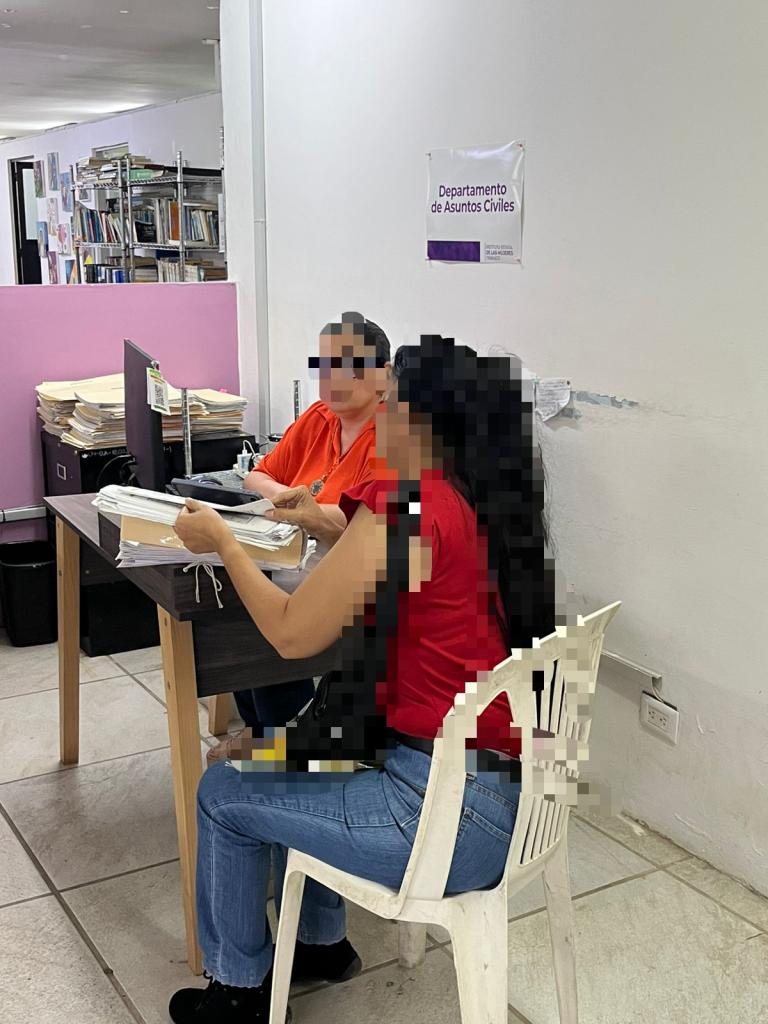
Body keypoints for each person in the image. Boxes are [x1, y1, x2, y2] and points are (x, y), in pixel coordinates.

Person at [169, 336, 555, 1024]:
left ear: (422, 423)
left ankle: (239, 995)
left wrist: (225, 543)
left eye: (394, 403)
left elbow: (292, 634)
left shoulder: (411, 505)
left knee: (224, 791)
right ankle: (323, 945)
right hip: (510, 798)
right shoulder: (483, 505)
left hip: (442, 813)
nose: (383, 416)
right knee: (287, 753)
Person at [207, 311, 392, 764]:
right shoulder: (318, 417)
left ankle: (288, 740)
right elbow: (258, 475)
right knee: (233, 603)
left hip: (350, 572)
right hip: (291, 552)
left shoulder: (394, 435)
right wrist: (286, 498)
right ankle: (265, 730)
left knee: (266, 620)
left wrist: (309, 513)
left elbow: (366, 523)